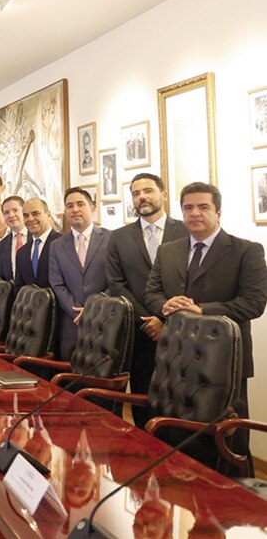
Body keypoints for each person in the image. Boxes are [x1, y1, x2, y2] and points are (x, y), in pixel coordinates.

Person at [143, 183, 266, 461]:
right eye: (188, 208)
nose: (194, 213)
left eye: (203, 207)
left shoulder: (246, 251)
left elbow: (254, 303)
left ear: (218, 212)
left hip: (226, 362)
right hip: (175, 358)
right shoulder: (168, 250)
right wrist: (165, 305)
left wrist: (202, 310)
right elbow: (150, 292)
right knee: (179, 441)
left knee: (229, 441)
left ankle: (236, 498)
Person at [106, 173, 188, 427]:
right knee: (143, 398)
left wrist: (165, 319)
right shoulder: (118, 237)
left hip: (181, 332)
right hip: (141, 333)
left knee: (180, 401)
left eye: (148, 190)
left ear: (163, 195)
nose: (142, 197)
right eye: (135, 193)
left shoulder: (185, 231)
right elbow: (116, 283)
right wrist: (148, 320)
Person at [48, 188, 110, 360]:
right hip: (71, 323)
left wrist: (92, 309)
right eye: (70, 206)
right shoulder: (56, 245)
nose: (75, 209)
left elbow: (117, 280)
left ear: (92, 208)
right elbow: (57, 284)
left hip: (104, 321)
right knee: (70, 380)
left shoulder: (112, 238)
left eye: (80, 204)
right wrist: (76, 311)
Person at [14, 198, 63, 289]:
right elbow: (18, 288)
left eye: (35, 214)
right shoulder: (22, 252)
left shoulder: (63, 243)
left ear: (48, 215)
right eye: (26, 215)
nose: (30, 219)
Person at [0, 196, 28, 281]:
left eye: (15, 210)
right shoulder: (1, 245)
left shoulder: (37, 238)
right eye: (6, 212)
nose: (11, 215)